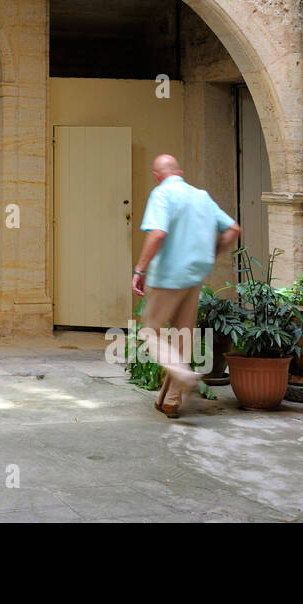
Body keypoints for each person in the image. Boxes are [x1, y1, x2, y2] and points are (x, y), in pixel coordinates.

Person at [132, 154, 241, 418]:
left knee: (150, 333)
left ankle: (182, 373)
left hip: (166, 277)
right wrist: (212, 254)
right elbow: (233, 229)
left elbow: (157, 233)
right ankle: (171, 400)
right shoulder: (201, 196)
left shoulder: (161, 194)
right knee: (182, 338)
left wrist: (139, 269)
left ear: (157, 175)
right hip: (194, 277)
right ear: (178, 172)